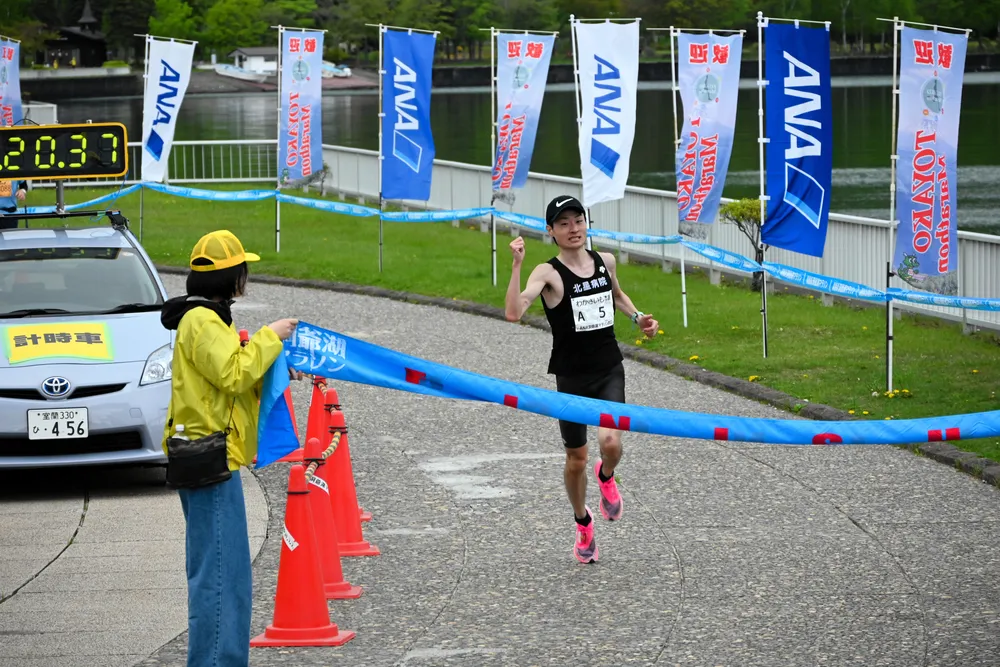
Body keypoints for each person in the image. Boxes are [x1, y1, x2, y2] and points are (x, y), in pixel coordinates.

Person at [160, 229, 299, 667]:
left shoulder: (205, 318)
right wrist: (270, 337)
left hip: (213, 457)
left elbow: (228, 378)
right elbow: (234, 374)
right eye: (244, 269)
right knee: (221, 577)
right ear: (233, 277)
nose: (247, 277)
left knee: (224, 574)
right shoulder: (202, 321)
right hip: (209, 460)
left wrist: (269, 364)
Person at [504, 196, 658, 564]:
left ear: (586, 224)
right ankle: (583, 522)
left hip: (608, 369)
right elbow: (513, 312)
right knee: (576, 459)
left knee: (611, 443)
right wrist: (516, 265)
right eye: (564, 224)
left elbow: (617, 295)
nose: (573, 229)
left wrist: (638, 318)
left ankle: (606, 477)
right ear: (551, 231)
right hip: (571, 376)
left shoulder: (605, 261)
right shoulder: (547, 273)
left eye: (578, 221)